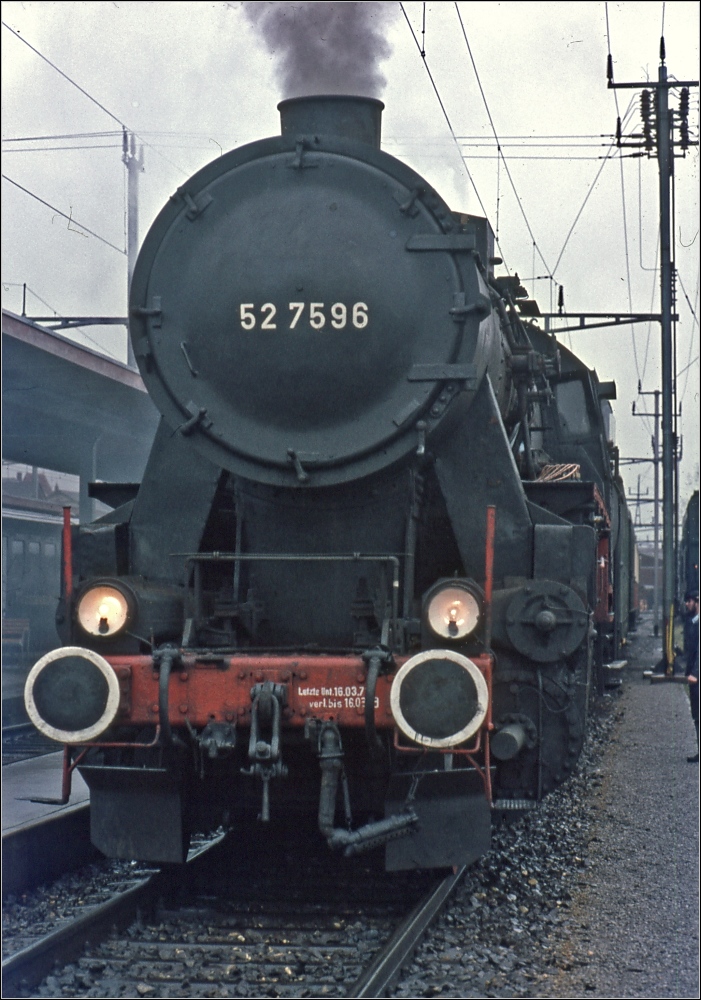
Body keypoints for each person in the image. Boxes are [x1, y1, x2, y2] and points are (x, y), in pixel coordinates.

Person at [683, 590, 699, 763]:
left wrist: (695, 673)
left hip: (698, 678)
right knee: (697, 715)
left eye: (689, 601)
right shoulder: (694, 623)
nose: (687, 604)